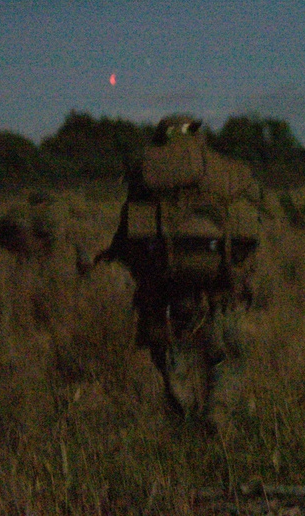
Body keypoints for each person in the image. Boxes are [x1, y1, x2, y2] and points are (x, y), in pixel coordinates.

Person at [88, 115, 259, 430]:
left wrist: (116, 255)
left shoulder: (146, 170)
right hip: (217, 272)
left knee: (165, 337)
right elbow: (253, 217)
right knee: (226, 342)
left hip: (163, 274)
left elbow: (127, 231)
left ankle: (182, 403)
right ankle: (219, 409)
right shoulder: (224, 168)